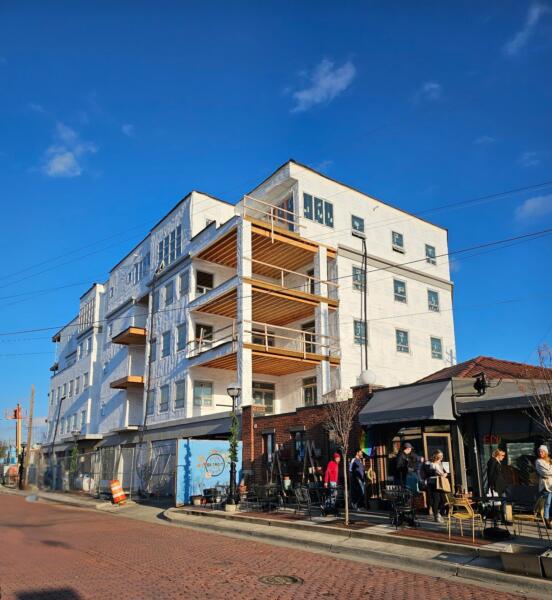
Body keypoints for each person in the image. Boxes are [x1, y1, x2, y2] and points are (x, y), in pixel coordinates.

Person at [423, 450, 448, 523]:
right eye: (440, 456)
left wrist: (445, 474)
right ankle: (436, 515)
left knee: (444, 499)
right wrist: (437, 473)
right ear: (436, 456)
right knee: (436, 499)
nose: (441, 457)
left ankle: (438, 513)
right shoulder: (429, 463)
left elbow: (445, 472)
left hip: (441, 483)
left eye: (442, 456)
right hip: (433, 483)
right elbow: (430, 472)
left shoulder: (441, 463)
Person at [535, 445, 552, 529]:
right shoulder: (538, 461)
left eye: (542, 451)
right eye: (539, 451)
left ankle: (549, 518)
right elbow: (545, 472)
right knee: (547, 503)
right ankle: (546, 519)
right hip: (545, 485)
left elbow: (549, 470)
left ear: (546, 452)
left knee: (550, 503)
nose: (540, 453)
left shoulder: (549, 460)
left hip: (551, 484)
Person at [323, 452, 341, 516]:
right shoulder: (331, 463)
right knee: (332, 496)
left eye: (339, 458)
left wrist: (337, 482)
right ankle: (327, 508)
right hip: (332, 482)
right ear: (335, 458)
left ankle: (329, 508)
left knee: (333, 496)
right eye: (338, 458)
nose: (339, 459)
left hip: (335, 482)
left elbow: (336, 475)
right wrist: (326, 482)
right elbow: (327, 472)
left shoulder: (336, 464)